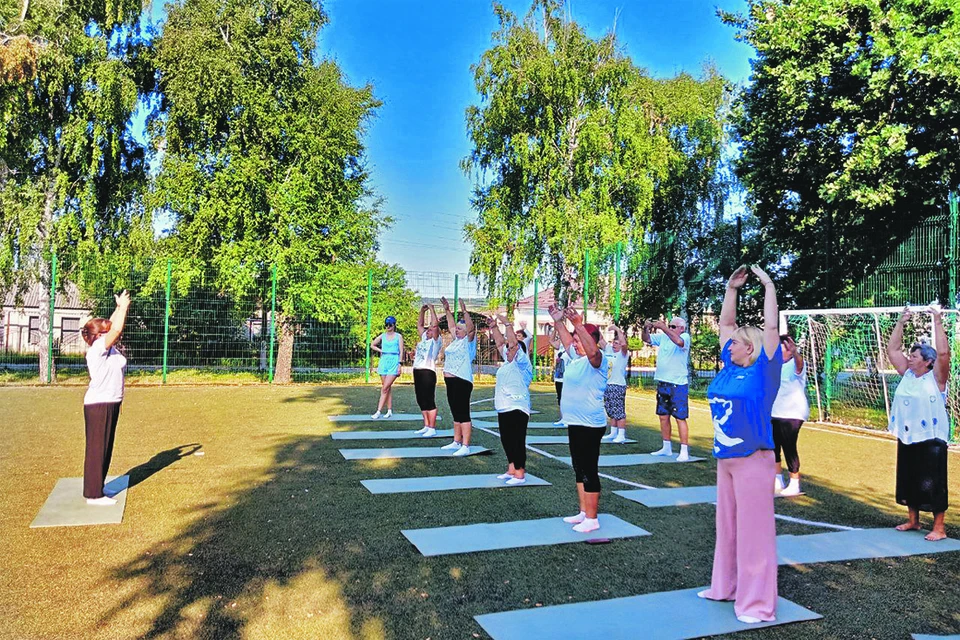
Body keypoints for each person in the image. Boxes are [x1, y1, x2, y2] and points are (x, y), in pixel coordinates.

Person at [698, 265, 782, 624]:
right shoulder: (729, 368)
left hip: (753, 460)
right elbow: (725, 325)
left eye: (734, 342)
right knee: (728, 528)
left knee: (754, 534)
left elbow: (772, 327)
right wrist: (731, 290)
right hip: (726, 459)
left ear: (749, 346)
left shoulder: (764, 368)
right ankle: (725, 587)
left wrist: (767, 285)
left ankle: (757, 605)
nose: (727, 343)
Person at [886, 305, 950, 541]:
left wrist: (937, 319)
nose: (909, 359)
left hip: (932, 438)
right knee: (909, 477)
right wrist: (902, 322)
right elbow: (892, 349)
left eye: (914, 356)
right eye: (910, 356)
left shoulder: (936, 378)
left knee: (933, 482)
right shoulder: (908, 374)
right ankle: (913, 520)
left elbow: (943, 354)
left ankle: (939, 528)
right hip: (907, 434)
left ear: (927, 362)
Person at [549, 304, 607, 534]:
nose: (574, 342)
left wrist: (579, 324)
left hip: (591, 425)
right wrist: (558, 321)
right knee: (578, 468)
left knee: (589, 469)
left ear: (590, 340)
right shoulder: (575, 359)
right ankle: (584, 512)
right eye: (575, 339)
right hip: (575, 423)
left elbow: (593, 352)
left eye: (579, 339)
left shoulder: (599, 360)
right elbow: (565, 341)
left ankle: (593, 518)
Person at [80, 291, 131, 505]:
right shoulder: (97, 350)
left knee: (105, 447)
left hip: (110, 402)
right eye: (105, 331)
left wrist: (119, 307)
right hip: (99, 405)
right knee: (97, 449)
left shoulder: (105, 347)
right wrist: (125, 308)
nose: (109, 331)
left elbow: (111, 325)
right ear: (99, 335)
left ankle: (97, 487)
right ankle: (93, 495)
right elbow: (116, 329)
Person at [488, 314, 534, 484]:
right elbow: (502, 343)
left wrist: (507, 324)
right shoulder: (508, 362)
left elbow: (513, 343)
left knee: (517, 440)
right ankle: (511, 469)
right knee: (506, 440)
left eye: (511, 349)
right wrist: (493, 327)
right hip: (504, 407)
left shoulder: (522, 363)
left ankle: (520, 474)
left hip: (518, 407)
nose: (507, 350)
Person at [642, 316, 692, 461]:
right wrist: (645, 328)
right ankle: (666, 447)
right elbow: (647, 339)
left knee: (680, 417)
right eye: (669, 326)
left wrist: (663, 327)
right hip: (663, 382)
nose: (670, 328)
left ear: (681, 328)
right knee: (663, 416)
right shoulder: (664, 337)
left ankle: (684, 451)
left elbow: (679, 342)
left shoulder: (685, 337)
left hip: (678, 384)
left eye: (673, 326)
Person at [771, 334, 809, 496]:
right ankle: (777, 479)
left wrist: (795, 352)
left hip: (792, 413)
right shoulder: (776, 365)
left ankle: (794, 483)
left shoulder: (796, 364)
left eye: (783, 350)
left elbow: (799, 364)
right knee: (773, 447)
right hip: (776, 412)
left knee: (789, 446)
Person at [440, 297, 477, 456]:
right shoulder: (455, 341)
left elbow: (471, 329)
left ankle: (466, 445)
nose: (456, 330)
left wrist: (464, 311)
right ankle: (456, 441)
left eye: (459, 329)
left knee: (463, 412)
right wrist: (448, 310)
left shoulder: (468, 342)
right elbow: (450, 325)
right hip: (450, 381)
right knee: (455, 411)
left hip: (462, 381)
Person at [413, 305, 443, 437]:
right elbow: (419, 325)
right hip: (417, 371)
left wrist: (431, 309)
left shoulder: (436, 341)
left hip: (428, 372)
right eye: (428, 330)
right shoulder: (425, 338)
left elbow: (435, 326)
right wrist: (422, 311)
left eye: (430, 330)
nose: (428, 331)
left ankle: (432, 427)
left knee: (429, 399)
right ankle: (426, 425)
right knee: (421, 399)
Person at [370, 316, 404, 419]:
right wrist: (381, 351)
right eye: (386, 325)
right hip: (384, 361)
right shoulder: (382, 336)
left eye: (390, 325)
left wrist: (400, 364)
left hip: (394, 361)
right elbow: (372, 345)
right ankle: (389, 410)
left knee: (384, 388)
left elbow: (401, 350)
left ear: (394, 325)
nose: (388, 327)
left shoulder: (398, 336)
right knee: (386, 388)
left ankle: (378, 411)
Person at [601, 325, 630, 443]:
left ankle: (621, 434)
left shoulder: (623, 354)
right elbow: (600, 340)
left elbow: (624, 345)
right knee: (611, 410)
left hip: (617, 385)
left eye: (617, 343)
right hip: (607, 384)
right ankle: (613, 432)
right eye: (614, 342)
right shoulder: (608, 350)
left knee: (619, 411)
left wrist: (618, 330)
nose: (614, 345)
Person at [550, 331, 568, 426]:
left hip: (566, 377)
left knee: (567, 398)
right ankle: (563, 418)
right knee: (560, 398)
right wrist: (556, 328)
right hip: (558, 377)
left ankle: (568, 418)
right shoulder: (560, 347)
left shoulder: (570, 348)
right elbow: (551, 341)